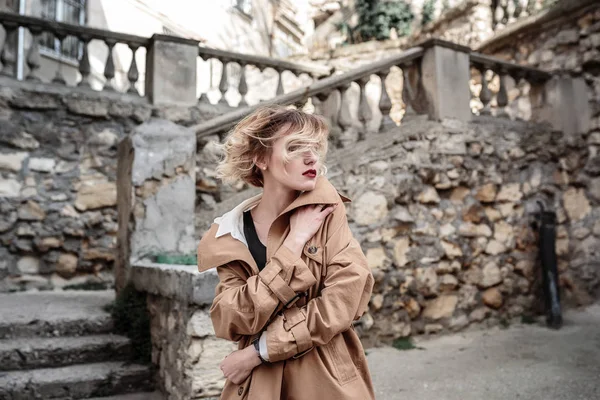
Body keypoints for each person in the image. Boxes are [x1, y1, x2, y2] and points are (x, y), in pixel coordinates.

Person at [197, 105, 375, 400]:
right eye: (295, 147)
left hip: (326, 377)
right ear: (261, 158)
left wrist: (259, 351)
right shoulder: (229, 233)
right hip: (258, 386)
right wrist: (292, 245)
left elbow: (344, 300)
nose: (311, 157)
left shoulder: (328, 212)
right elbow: (230, 318)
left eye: (315, 147)